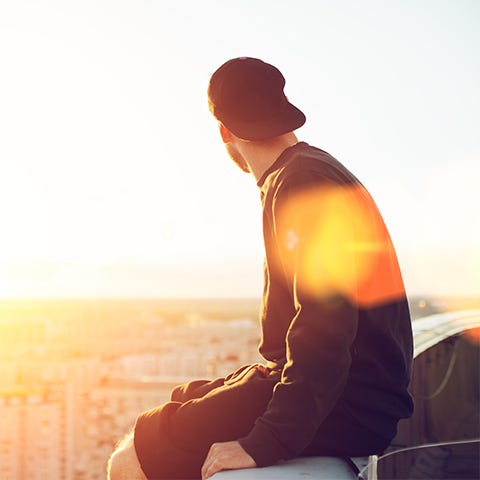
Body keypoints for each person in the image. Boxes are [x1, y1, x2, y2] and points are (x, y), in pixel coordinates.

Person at [108, 57, 414, 480]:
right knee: (179, 402)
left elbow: (325, 326)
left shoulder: (303, 183)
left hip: (347, 404)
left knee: (131, 458)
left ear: (224, 131)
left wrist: (267, 441)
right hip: (351, 396)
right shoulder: (308, 172)